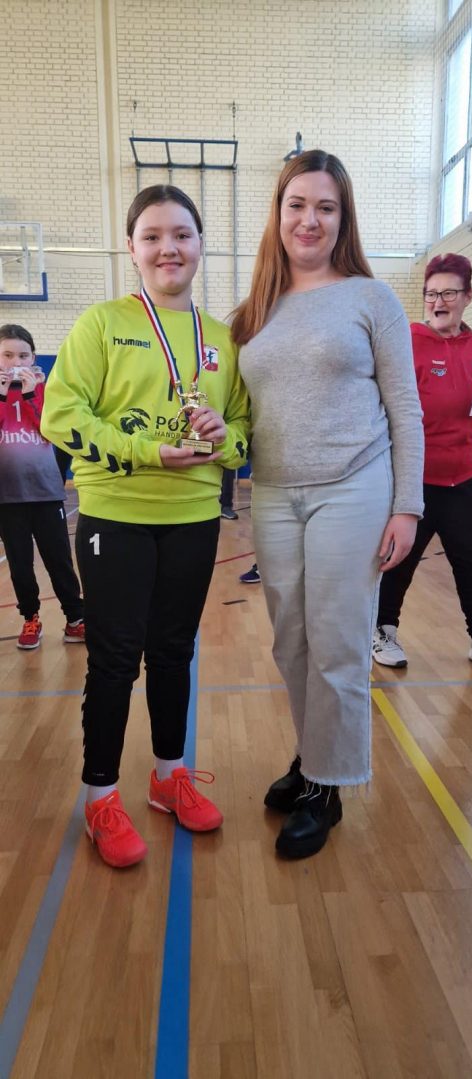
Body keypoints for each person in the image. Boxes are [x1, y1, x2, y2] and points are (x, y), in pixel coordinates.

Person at [41, 184, 249, 869]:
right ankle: (101, 796)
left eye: (182, 234)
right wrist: (146, 451)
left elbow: (245, 433)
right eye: (153, 236)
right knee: (113, 657)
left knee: (173, 651)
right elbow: (61, 416)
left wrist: (223, 437)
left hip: (193, 516)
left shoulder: (222, 339)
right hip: (116, 515)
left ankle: (168, 776)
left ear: (200, 244)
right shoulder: (101, 325)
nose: (169, 248)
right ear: (131, 248)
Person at [231, 149, 424, 859]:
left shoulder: (372, 299)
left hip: (355, 484)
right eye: (297, 205)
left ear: (343, 218)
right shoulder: (254, 311)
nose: (309, 219)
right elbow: (241, 413)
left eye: (325, 207)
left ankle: (327, 785)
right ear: (278, 214)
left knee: (338, 639)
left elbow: (405, 408)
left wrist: (407, 505)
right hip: (275, 491)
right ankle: (314, 756)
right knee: (291, 641)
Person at [373, 253, 472, 673]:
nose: (438, 302)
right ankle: (382, 630)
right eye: (431, 294)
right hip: (415, 477)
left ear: (468, 296)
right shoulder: (406, 342)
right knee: (399, 560)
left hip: (467, 477)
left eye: (448, 293)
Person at [0, 323, 85, 650]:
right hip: (8, 497)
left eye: (23, 355)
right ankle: (30, 617)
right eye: (8, 355)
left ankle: (75, 618)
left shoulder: (46, 391)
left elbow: (50, 431)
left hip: (46, 492)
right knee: (20, 564)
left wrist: (31, 393)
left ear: (33, 357)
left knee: (59, 560)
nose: (16, 362)